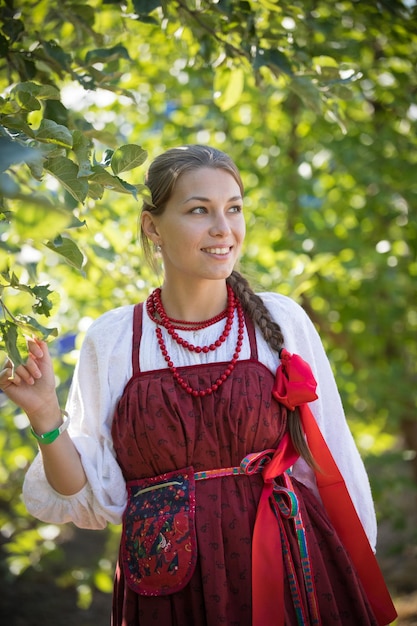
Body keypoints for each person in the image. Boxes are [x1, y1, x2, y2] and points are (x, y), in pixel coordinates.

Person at [0, 145, 396, 626]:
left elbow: (332, 457)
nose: (223, 229)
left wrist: (348, 569)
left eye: (233, 208)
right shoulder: (114, 338)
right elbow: (90, 492)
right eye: (198, 211)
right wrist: (44, 413)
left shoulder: (280, 320)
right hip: (166, 583)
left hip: (285, 566)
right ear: (152, 226)